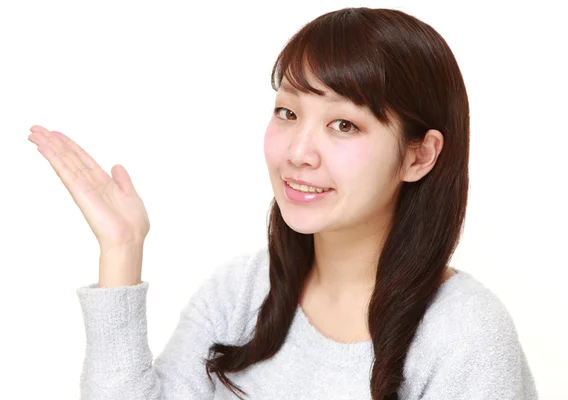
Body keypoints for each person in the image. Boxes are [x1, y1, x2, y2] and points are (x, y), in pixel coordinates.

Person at [27, 7, 538, 400]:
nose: (298, 153)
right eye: (288, 112)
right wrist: (122, 249)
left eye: (344, 124)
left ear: (419, 155)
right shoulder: (240, 292)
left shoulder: (464, 333)